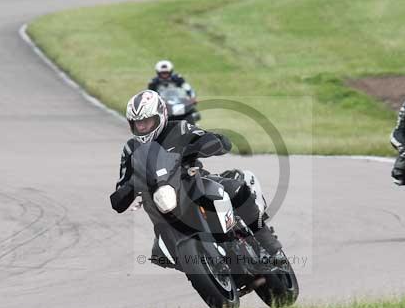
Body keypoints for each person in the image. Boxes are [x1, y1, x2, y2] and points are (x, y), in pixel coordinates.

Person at [110, 90, 281, 264]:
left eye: (146, 121)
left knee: (236, 190)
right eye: (137, 123)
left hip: (192, 180)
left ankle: (268, 244)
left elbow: (207, 138)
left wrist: (207, 143)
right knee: (159, 251)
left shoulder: (179, 128)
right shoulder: (130, 149)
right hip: (160, 198)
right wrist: (125, 191)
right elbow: (123, 180)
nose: (142, 127)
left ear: (160, 116)